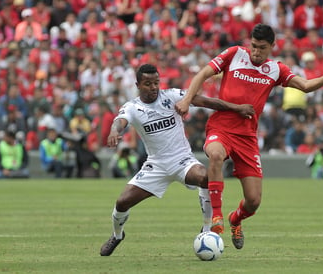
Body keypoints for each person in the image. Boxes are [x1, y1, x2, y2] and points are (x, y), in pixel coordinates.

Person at [175, 23, 323, 249]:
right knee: (215, 155)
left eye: (262, 48)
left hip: (247, 138)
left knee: (254, 201)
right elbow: (203, 74)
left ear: (272, 47)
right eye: (254, 46)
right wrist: (188, 99)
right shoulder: (234, 54)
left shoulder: (276, 69)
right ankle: (215, 217)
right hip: (222, 127)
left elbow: (305, 86)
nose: (256, 52)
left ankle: (234, 220)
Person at [99, 64, 254, 256]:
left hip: (183, 161)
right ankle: (117, 235)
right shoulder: (132, 107)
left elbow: (206, 102)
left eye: (156, 82)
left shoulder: (172, 96)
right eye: (148, 83)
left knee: (206, 178)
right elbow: (119, 121)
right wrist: (114, 131)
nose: (154, 87)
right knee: (122, 202)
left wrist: (236, 108)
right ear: (138, 85)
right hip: (156, 165)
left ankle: (206, 230)